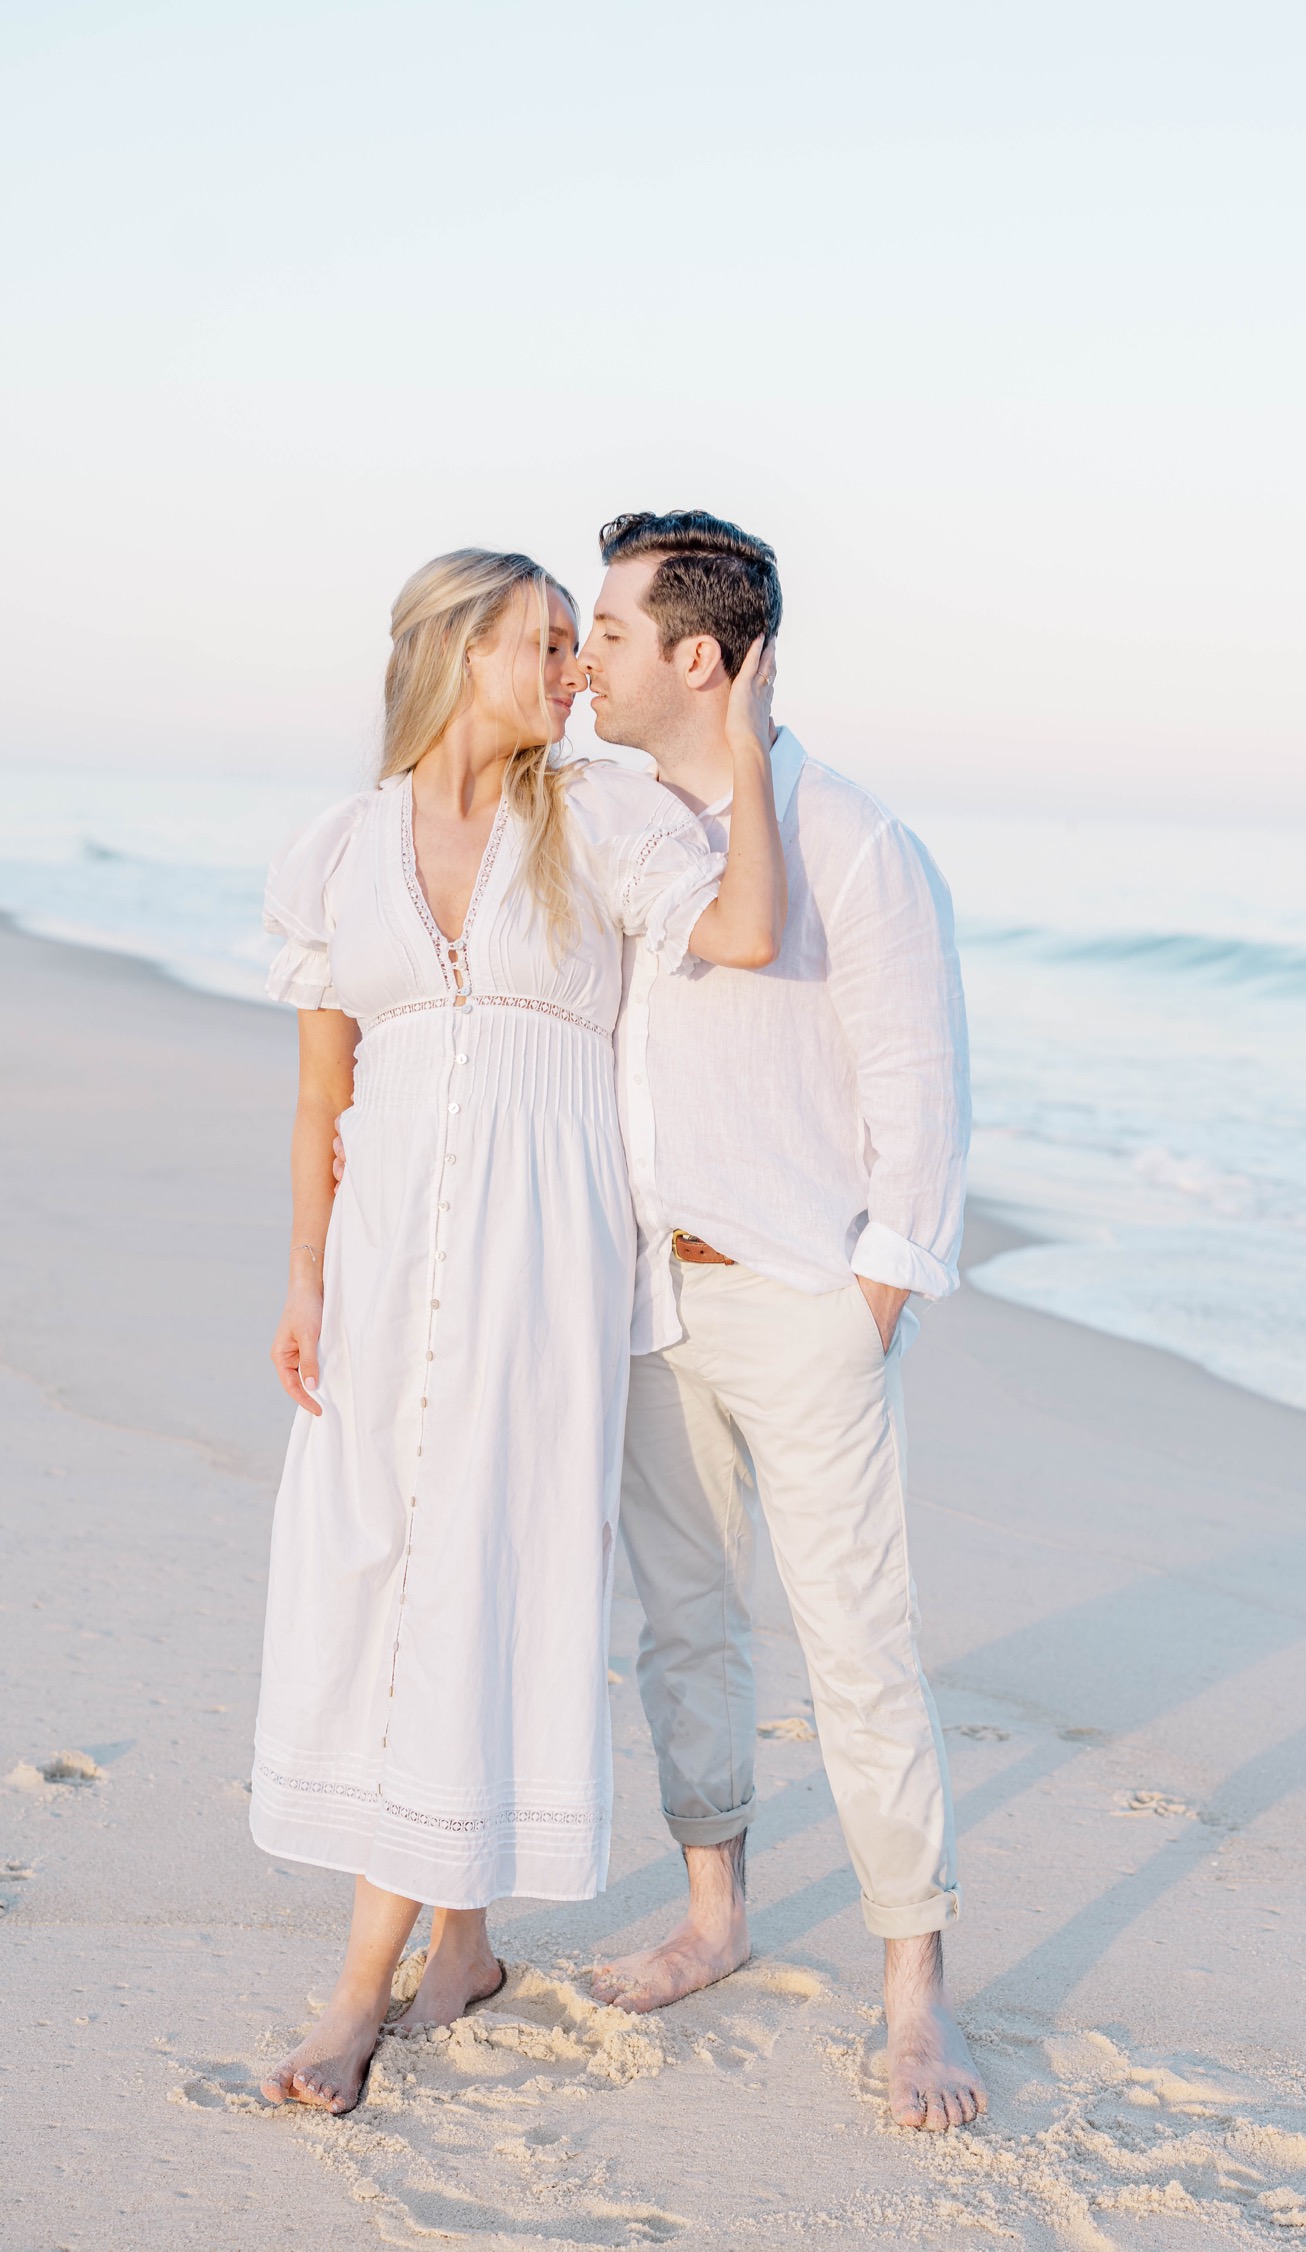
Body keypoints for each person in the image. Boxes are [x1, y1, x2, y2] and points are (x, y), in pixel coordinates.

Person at [253, 547, 784, 2115]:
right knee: (390, 1583)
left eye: (576, 641)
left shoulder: (599, 817)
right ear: (450, 651)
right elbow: (318, 1095)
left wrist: (742, 747)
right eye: (541, 642)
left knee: (477, 1580)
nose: (570, 671)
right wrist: (302, 1278)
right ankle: (459, 1946)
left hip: (543, 1269)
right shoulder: (336, 854)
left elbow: (745, 935)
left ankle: (360, 1992)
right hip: (384, 1258)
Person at [578, 511, 986, 2132]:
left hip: (803, 1304)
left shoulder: (858, 843)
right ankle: (716, 1913)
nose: (584, 660)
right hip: (647, 1299)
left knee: (859, 1655)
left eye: (609, 631)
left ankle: (915, 1995)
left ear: (699, 660)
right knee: (684, 1628)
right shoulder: (610, 823)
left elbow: (923, 1106)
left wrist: (867, 1300)